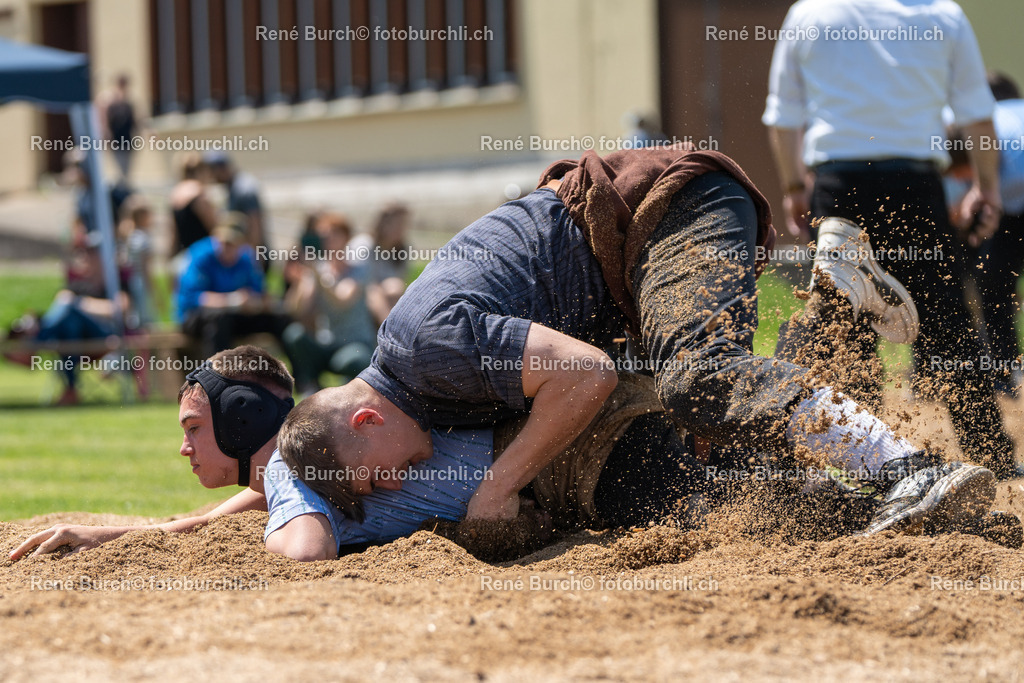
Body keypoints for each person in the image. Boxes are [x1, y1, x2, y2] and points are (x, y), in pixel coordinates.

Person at [278, 146, 1004, 538]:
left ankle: (906, 467)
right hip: (635, 261)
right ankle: (837, 299)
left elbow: (587, 375)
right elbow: (286, 469)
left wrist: (498, 485)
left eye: (374, 477)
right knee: (715, 416)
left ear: (366, 420)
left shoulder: (424, 349)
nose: (394, 485)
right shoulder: (412, 383)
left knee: (703, 379)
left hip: (667, 212)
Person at [762, 0, 1019, 478]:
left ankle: (859, 461)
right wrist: (986, 188)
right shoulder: (943, 15)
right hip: (915, 186)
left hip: (839, 188)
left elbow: (783, 116)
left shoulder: (810, 13)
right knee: (947, 323)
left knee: (842, 326)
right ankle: (992, 456)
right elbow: (976, 116)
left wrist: (795, 187)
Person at [176, 213, 295, 366]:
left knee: (280, 318)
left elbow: (259, 293)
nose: (227, 247)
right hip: (195, 318)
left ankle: (303, 379)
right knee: (219, 318)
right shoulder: (199, 255)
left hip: (233, 317)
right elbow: (193, 298)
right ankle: (217, 377)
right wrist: (233, 300)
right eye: (224, 242)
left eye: (233, 243)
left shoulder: (246, 257)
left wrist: (257, 303)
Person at [282, 212, 377, 394]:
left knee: (352, 361)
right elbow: (296, 309)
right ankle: (309, 387)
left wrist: (317, 274)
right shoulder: (318, 269)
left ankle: (350, 391)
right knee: (294, 335)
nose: (327, 240)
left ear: (346, 237)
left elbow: (343, 300)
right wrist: (299, 281)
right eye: (323, 235)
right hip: (327, 343)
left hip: (355, 343)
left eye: (333, 234)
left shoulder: (359, 267)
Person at [205, 152, 269, 271]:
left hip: (251, 258)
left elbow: (255, 227)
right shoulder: (233, 186)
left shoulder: (244, 188)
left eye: (211, 171)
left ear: (220, 168)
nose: (211, 177)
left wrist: (256, 260)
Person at [350, 203, 413, 325]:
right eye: (397, 223)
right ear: (383, 223)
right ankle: (390, 328)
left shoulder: (401, 249)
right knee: (377, 291)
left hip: (387, 299)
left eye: (404, 224)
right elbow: (361, 281)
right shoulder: (363, 244)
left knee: (395, 287)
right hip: (359, 295)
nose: (401, 228)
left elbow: (401, 281)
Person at [169, 154, 218, 258]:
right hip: (202, 253)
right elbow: (214, 227)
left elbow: (173, 232)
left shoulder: (176, 193)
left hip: (184, 253)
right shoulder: (199, 193)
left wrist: (170, 256)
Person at [96, 73, 139, 182]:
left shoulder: (128, 100)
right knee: (119, 167)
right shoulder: (108, 99)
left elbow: (135, 119)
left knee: (126, 168)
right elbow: (103, 120)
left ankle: (123, 187)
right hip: (116, 138)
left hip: (128, 138)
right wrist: (106, 136)